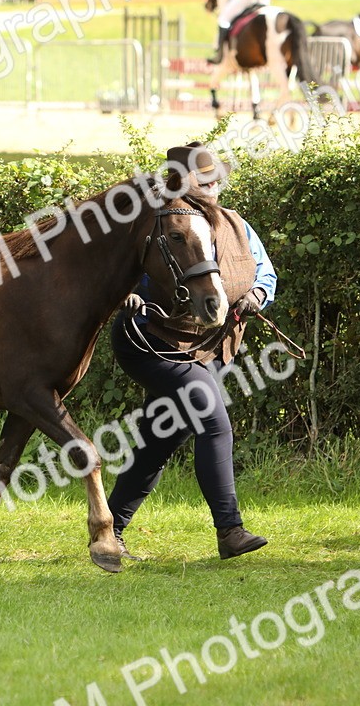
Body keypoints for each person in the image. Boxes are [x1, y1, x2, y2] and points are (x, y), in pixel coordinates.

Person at [107, 143, 275, 562]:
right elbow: (111, 269)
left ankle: (108, 530)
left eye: (217, 174)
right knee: (214, 423)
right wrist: (125, 294)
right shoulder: (158, 221)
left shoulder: (237, 224)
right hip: (152, 342)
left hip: (206, 348)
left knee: (158, 440)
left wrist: (257, 293)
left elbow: (265, 270)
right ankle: (229, 531)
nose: (215, 181)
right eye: (205, 176)